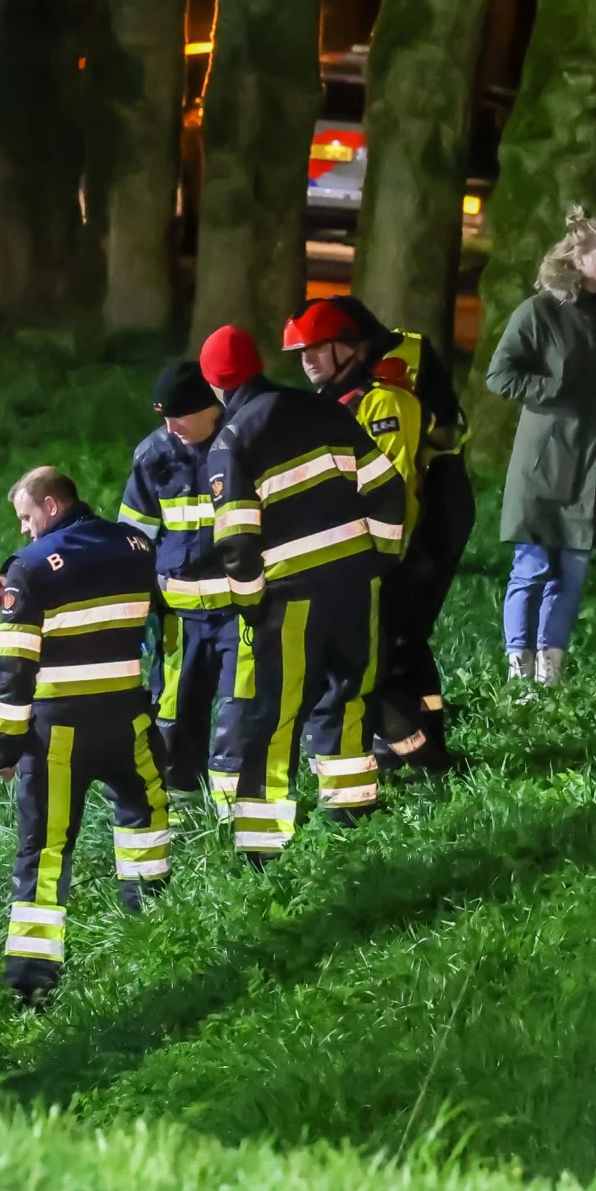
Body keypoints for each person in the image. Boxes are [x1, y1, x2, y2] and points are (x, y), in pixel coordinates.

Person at [201, 324, 405, 860]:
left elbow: (237, 540)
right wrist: (379, 556)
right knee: (353, 693)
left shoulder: (231, 442)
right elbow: (387, 487)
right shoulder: (326, 409)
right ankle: (351, 811)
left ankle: (263, 846)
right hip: (358, 586)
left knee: (275, 713)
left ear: (215, 384)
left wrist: (248, 603)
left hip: (290, 599)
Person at [0, 467, 169, 999]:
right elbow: (152, 623)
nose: (24, 530)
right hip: (128, 715)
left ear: (49, 505)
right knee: (144, 816)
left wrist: (6, 748)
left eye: (25, 516)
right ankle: (153, 925)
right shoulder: (135, 544)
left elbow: (14, 670)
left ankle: (31, 979)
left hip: (59, 730)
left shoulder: (30, 569)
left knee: (45, 848)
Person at [283, 298, 451, 770]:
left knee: (366, 665)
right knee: (379, 658)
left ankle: (422, 760)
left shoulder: (385, 403)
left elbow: (389, 490)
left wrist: (368, 559)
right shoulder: (334, 404)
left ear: (350, 349)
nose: (308, 360)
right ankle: (422, 754)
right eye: (301, 352)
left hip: (382, 557)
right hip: (353, 558)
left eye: (317, 348)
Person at [485, 208, 596, 686]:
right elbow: (500, 375)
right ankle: (518, 672)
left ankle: (550, 669)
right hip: (543, 463)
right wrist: (554, 388)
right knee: (533, 565)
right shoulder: (538, 312)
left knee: (574, 570)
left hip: (594, 464)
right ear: (577, 259)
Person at [320, 295, 474, 762]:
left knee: (387, 639)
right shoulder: (392, 363)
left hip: (427, 510)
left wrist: (390, 552)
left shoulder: (391, 386)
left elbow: (398, 472)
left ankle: (417, 749)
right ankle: (424, 735)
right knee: (405, 636)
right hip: (423, 508)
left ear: (355, 345)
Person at [118, 360, 239, 795]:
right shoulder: (154, 455)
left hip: (238, 614)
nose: (171, 427)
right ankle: (186, 807)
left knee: (238, 711)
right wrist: (137, 607)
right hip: (179, 619)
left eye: (180, 415)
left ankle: (235, 807)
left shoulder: (239, 446)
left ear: (212, 406)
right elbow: (134, 538)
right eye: (164, 417)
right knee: (174, 713)